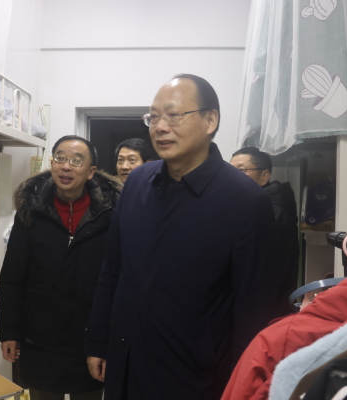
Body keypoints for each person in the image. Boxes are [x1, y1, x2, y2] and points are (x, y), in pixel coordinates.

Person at [85, 74, 280, 400]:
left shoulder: (245, 201)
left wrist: (245, 386)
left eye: (174, 115)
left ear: (210, 120)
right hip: (127, 363)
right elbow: (113, 271)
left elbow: (253, 310)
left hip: (195, 377)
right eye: (153, 117)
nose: (160, 127)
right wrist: (98, 340)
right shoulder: (137, 184)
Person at [0, 135, 122, 400]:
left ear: (91, 172)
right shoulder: (30, 211)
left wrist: (109, 341)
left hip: (90, 340)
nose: (66, 166)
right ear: (52, 163)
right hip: (40, 338)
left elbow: (118, 281)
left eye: (76, 161)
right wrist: (8, 331)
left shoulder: (111, 215)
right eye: (60, 158)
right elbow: (12, 278)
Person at [230, 147, 300, 316]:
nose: (232, 177)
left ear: (264, 176)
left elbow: (258, 263)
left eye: (241, 170)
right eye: (230, 171)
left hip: (263, 307)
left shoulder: (274, 211)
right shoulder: (252, 204)